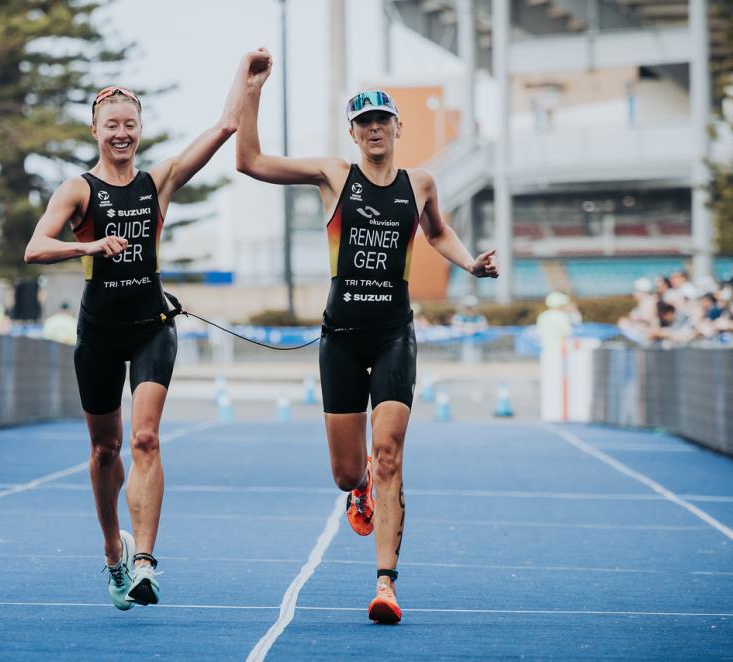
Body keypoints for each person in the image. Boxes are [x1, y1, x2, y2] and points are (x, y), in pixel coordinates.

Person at [236, 49, 498, 624]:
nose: (374, 128)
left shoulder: (421, 182)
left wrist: (469, 266)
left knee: (389, 454)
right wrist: (250, 90)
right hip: (341, 338)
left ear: (398, 128)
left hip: (394, 334)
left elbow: (439, 232)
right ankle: (359, 490)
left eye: (383, 119)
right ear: (352, 133)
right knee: (349, 471)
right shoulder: (335, 176)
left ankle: (385, 584)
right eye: (364, 122)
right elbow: (249, 161)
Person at [24, 53, 255, 611]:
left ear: (140, 128)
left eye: (130, 124)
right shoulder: (78, 191)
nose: (121, 133)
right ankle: (114, 553)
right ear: (96, 130)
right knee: (105, 450)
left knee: (146, 437)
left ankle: (146, 561)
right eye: (112, 125)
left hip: (152, 326)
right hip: (99, 331)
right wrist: (88, 245)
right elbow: (34, 248)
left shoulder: (159, 183)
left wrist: (248, 80)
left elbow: (224, 128)